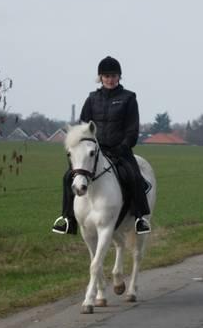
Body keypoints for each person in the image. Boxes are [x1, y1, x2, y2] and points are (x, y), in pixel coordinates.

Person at [52, 56, 151, 235]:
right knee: (68, 177)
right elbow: (83, 127)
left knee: (134, 176)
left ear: (119, 77)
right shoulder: (92, 99)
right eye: (106, 76)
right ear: (100, 78)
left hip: (120, 150)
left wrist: (123, 146)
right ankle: (67, 219)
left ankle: (140, 217)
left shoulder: (128, 98)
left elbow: (132, 130)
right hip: (94, 151)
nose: (110, 79)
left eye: (113, 76)